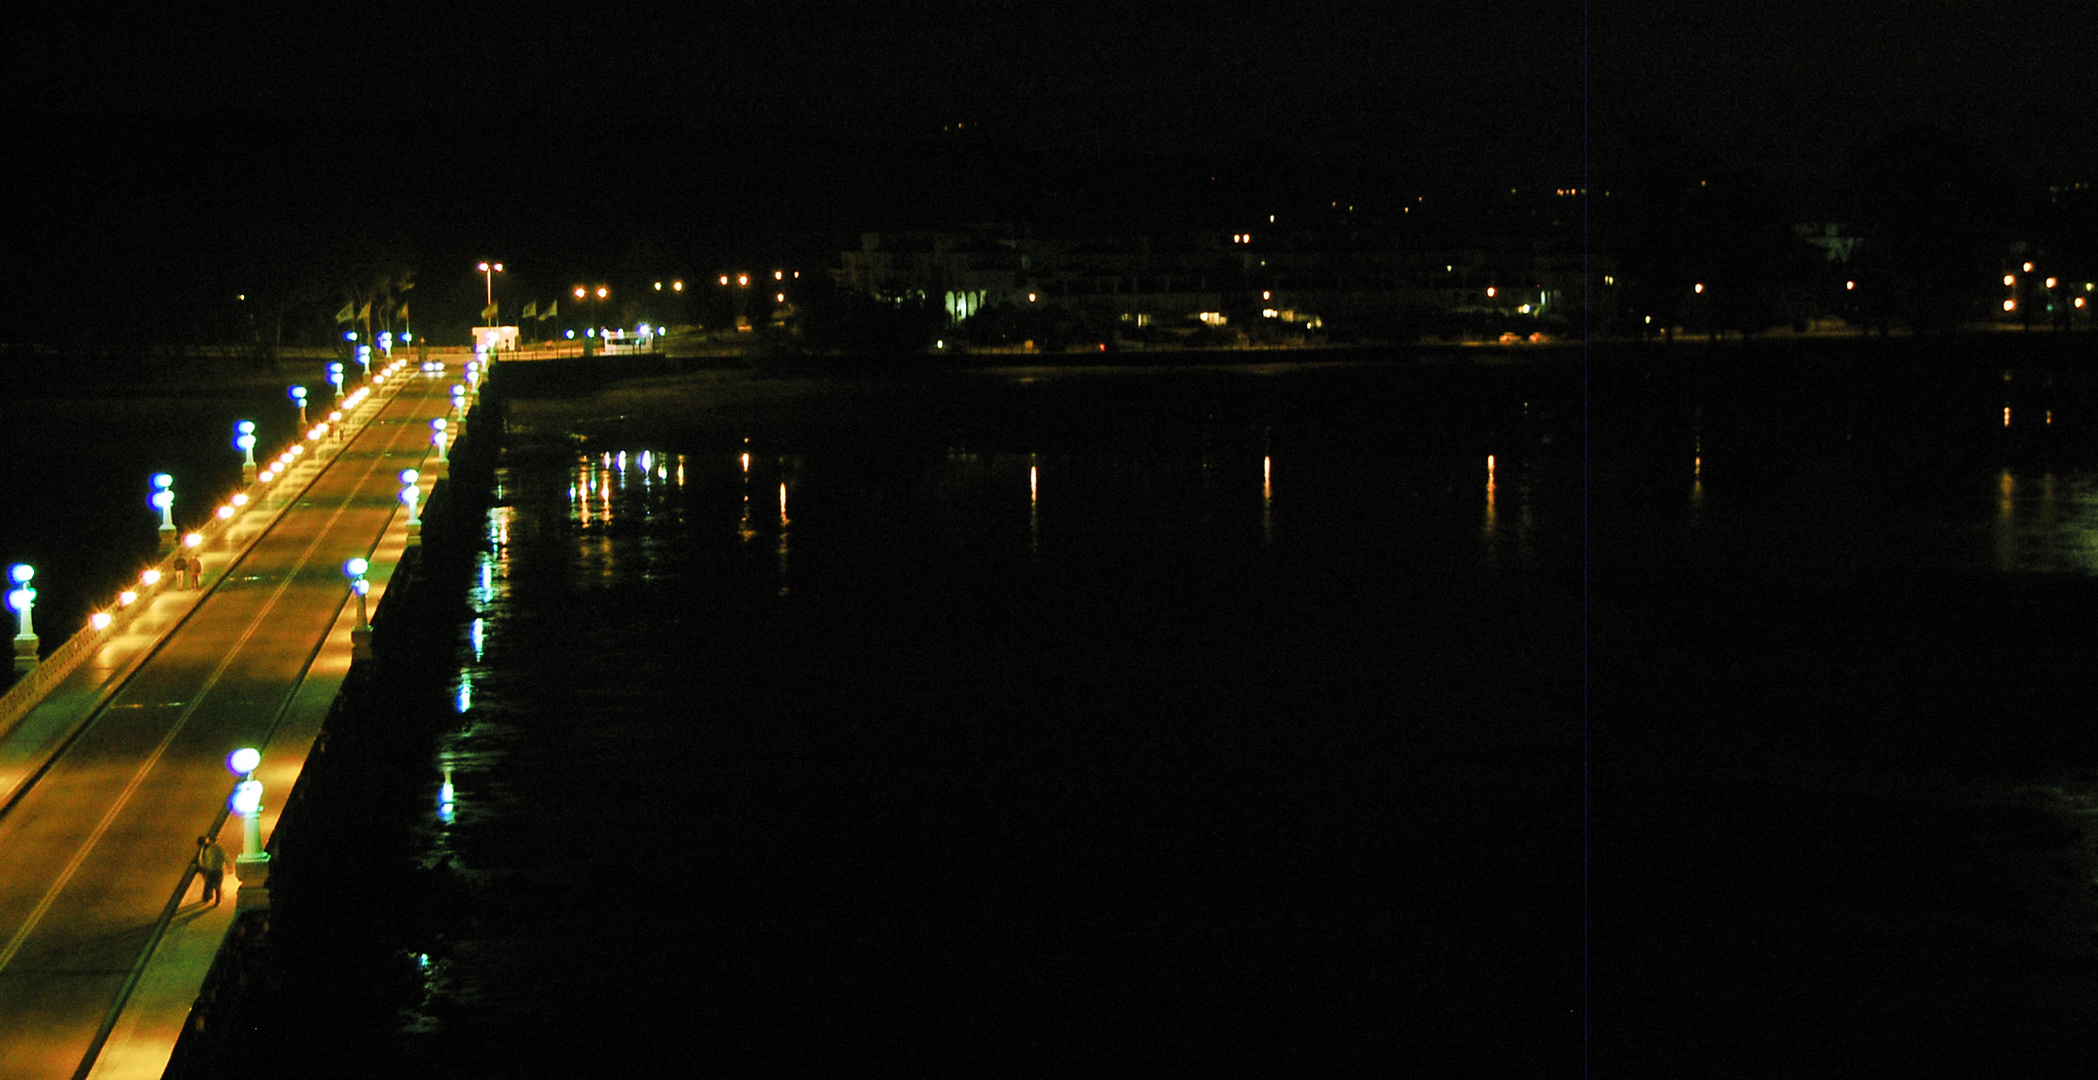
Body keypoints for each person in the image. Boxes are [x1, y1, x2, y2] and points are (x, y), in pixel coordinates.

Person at [196, 836, 229, 906]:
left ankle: (207, 898)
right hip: (219, 869)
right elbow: (225, 857)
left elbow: (201, 859)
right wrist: (228, 865)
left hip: (210, 869)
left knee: (208, 884)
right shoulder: (219, 848)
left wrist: (203, 866)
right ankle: (217, 900)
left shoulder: (206, 849)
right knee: (218, 885)